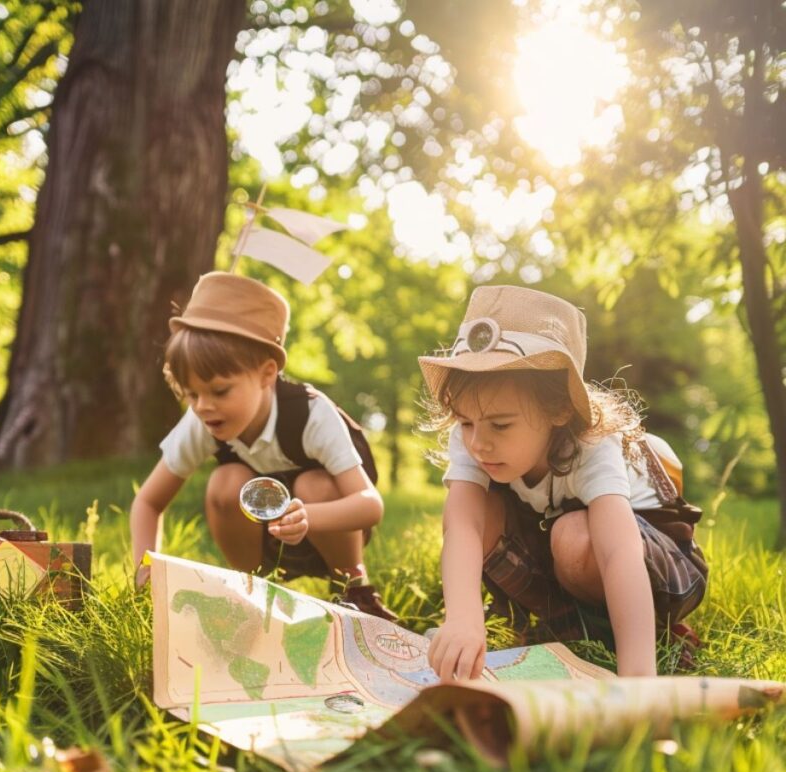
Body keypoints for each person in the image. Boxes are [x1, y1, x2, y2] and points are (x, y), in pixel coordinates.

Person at [419, 284, 707, 680]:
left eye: (500, 425)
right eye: (466, 423)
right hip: (566, 557)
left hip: (656, 566)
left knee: (572, 536)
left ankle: (653, 632)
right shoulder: (476, 430)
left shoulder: (590, 443)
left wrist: (638, 679)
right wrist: (463, 618)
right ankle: (564, 627)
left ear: (558, 409)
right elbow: (464, 526)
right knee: (477, 511)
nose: (478, 442)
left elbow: (618, 553)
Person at [130, 271, 397, 621]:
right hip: (262, 542)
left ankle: (353, 590)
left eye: (220, 390)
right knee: (224, 482)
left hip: (327, 531)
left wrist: (307, 516)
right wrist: (145, 569)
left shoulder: (311, 414)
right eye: (191, 393)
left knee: (313, 485)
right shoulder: (202, 420)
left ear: (267, 373)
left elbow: (370, 506)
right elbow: (148, 502)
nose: (203, 406)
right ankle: (255, 593)